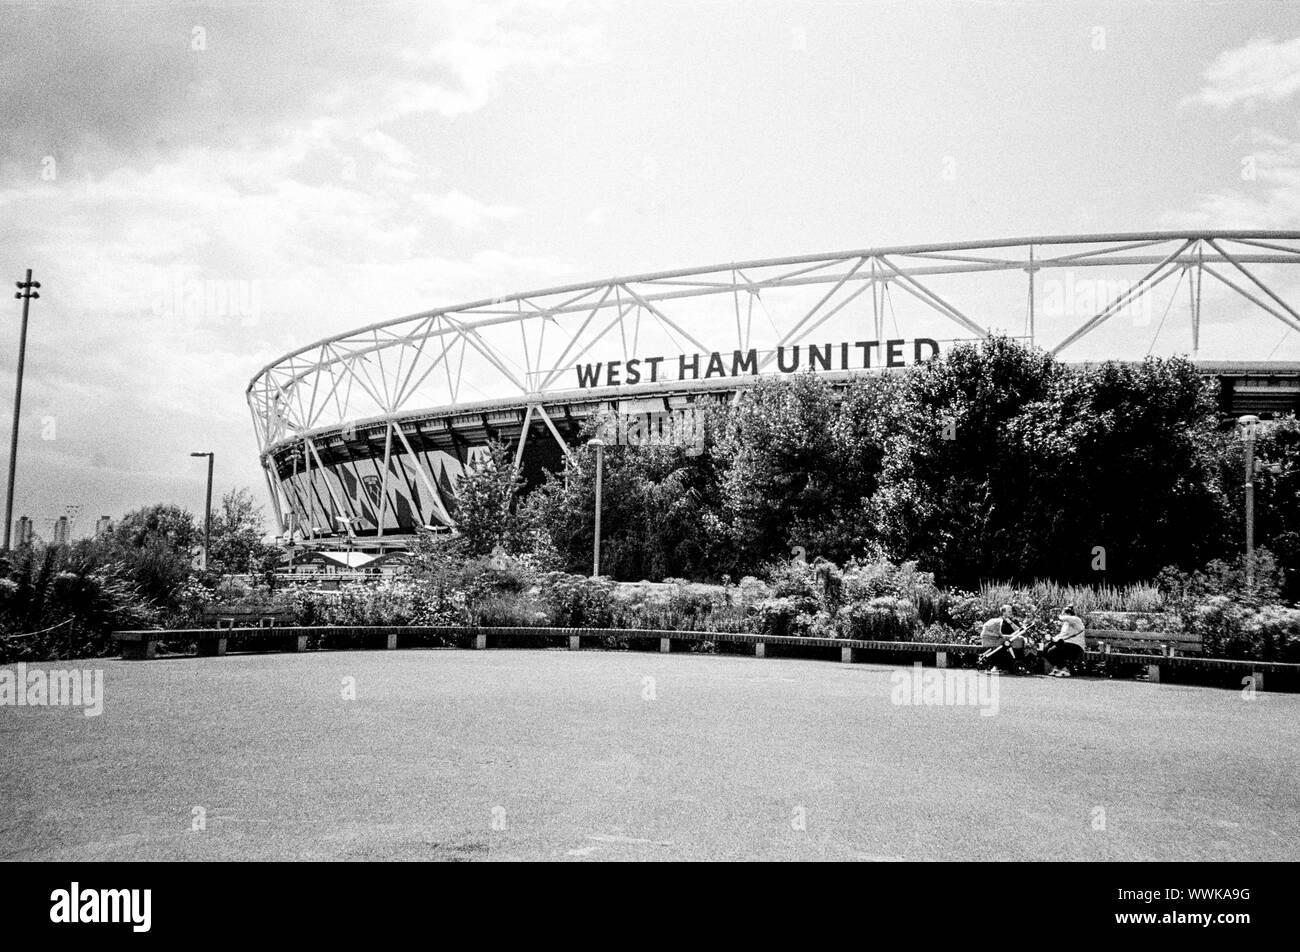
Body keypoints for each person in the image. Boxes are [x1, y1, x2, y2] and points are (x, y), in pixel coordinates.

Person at [978, 605, 1031, 673]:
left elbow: (1020, 631)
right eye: (1009, 611)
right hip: (1000, 642)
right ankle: (998, 666)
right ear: (1003, 612)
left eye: (1011, 611)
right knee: (1000, 650)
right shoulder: (998, 621)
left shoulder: (1014, 620)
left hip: (1013, 641)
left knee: (1014, 649)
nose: (1011, 613)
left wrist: (1011, 623)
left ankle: (1012, 667)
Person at [1043, 604, 1086, 677]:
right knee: (1045, 648)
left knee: (1053, 650)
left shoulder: (1076, 619)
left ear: (1068, 613)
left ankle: (1065, 670)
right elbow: (1062, 635)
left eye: (1064, 613)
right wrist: (1052, 639)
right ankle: (1056, 668)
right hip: (1065, 644)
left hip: (1076, 646)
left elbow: (1064, 618)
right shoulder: (1066, 624)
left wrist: (1058, 615)